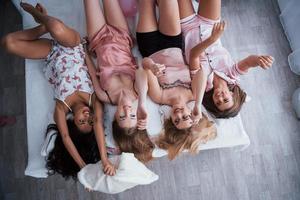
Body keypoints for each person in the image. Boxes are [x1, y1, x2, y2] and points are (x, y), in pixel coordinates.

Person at [1, 2, 115, 178]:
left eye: (82, 122)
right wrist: (104, 160)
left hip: (51, 53)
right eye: (90, 121)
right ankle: (42, 19)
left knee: (8, 43)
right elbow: (99, 121)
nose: (87, 117)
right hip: (72, 45)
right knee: (56, 27)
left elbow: (67, 138)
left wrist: (83, 167)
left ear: (73, 121)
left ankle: (42, 26)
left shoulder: (61, 109)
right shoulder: (94, 99)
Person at [136, 0, 216, 160]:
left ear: (170, 121)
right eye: (185, 117)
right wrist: (198, 104)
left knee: (146, 3)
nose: (179, 114)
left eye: (176, 120)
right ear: (191, 115)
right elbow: (201, 72)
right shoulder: (193, 95)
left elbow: (142, 66)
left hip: (149, 46)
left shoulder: (160, 98)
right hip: (172, 41)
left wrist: (152, 67)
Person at [83, 0, 154, 162]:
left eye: (122, 117)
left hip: (98, 39)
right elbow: (142, 71)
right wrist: (142, 103)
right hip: (121, 36)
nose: (127, 110)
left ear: (115, 118)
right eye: (132, 116)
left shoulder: (105, 96)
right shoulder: (137, 93)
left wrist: (83, 50)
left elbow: (93, 73)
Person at [178, 0, 274, 118]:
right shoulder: (232, 75)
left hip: (187, 27)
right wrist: (259, 60)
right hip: (210, 25)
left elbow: (194, 55)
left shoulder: (202, 86)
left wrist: (212, 39)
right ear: (232, 94)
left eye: (218, 102)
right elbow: (249, 62)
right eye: (226, 99)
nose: (220, 98)